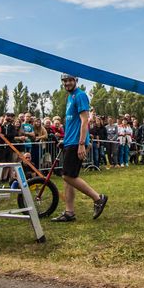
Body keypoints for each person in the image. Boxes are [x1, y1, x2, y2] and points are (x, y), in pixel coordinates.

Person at [50, 75, 107, 223]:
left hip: (77, 143)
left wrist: (82, 143)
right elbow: (71, 123)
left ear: (76, 80)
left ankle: (97, 198)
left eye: (70, 80)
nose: (67, 83)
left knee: (68, 176)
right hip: (71, 141)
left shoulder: (80, 96)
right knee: (69, 178)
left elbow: (84, 121)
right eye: (64, 81)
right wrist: (65, 140)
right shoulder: (70, 97)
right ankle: (69, 212)